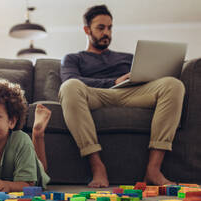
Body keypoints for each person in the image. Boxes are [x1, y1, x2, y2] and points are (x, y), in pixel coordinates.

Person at [59, 5, 185, 188]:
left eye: (110, 28)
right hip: (96, 95)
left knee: (174, 85)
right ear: (87, 30)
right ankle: (97, 167)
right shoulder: (73, 58)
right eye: (100, 28)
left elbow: (147, 78)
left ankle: (154, 169)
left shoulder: (127, 58)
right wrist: (114, 82)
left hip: (131, 93)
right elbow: (70, 79)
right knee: (69, 86)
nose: (107, 33)